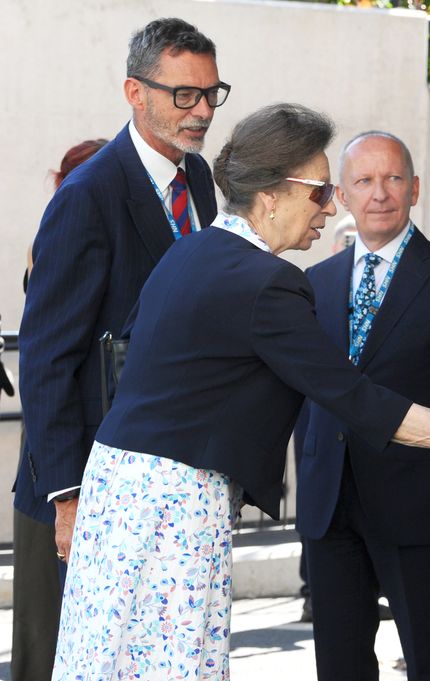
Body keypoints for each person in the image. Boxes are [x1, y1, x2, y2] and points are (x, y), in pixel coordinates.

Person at [50, 102, 430, 680]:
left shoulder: (190, 251)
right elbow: (361, 402)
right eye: (321, 191)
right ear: (271, 195)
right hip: (173, 506)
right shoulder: (269, 283)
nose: (329, 208)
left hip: (116, 491)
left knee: (107, 664)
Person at [17, 17, 223, 680]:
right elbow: (47, 357)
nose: (200, 111)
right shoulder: (86, 196)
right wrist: (69, 498)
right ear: (135, 92)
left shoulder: (199, 180)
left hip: (169, 483)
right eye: (182, 95)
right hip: (84, 492)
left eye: (211, 93)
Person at [296, 130, 430, 681]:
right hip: (330, 505)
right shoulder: (315, 284)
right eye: (364, 181)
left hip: (416, 505)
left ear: (415, 188)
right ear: (342, 194)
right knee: (340, 664)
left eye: (393, 178)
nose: (379, 193)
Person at [11, 137, 108, 681]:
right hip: (51, 474)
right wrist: (63, 494)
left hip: (91, 462)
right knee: (43, 638)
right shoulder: (57, 236)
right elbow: (46, 361)